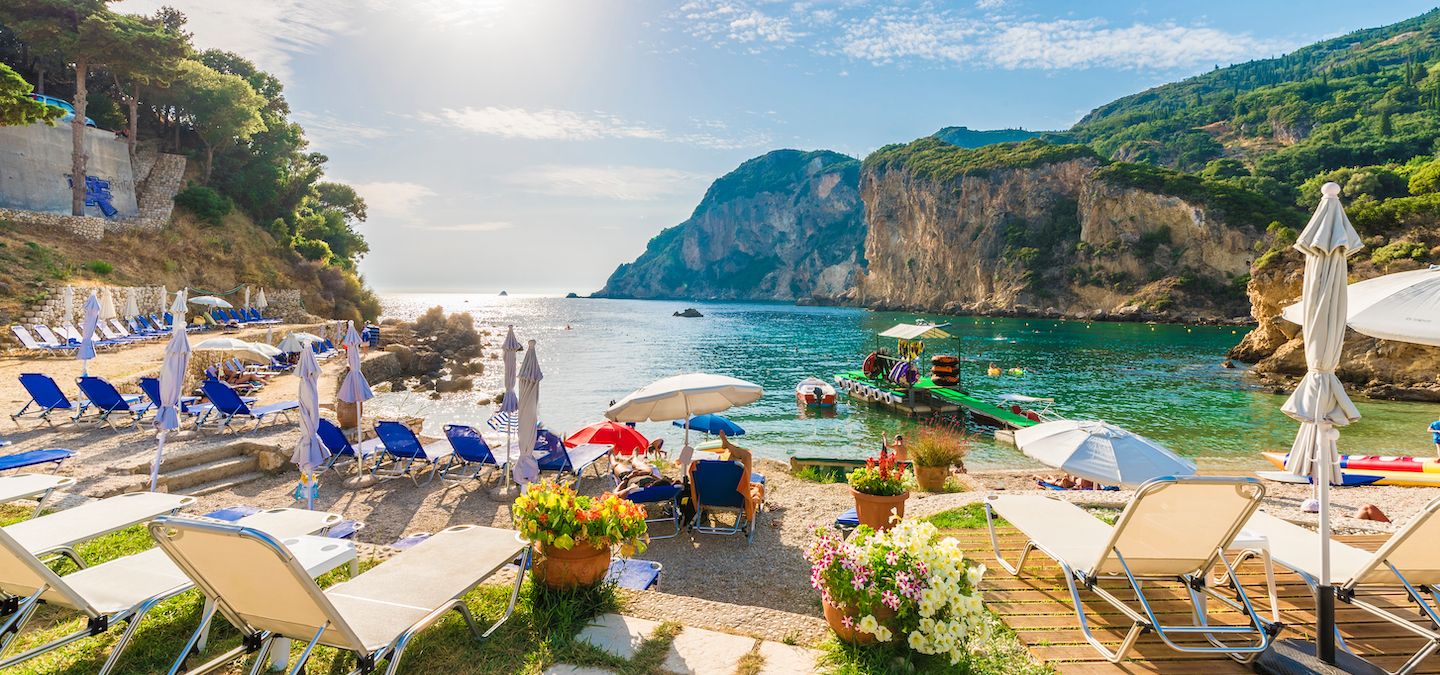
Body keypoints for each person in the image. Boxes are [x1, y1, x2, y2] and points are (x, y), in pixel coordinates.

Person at [701, 431, 765, 525]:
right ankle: (728, 445)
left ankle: (728, 446)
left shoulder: (696, 469)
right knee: (747, 455)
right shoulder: (736, 495)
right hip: (738, 499)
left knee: (732, 459)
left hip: (711, 498)